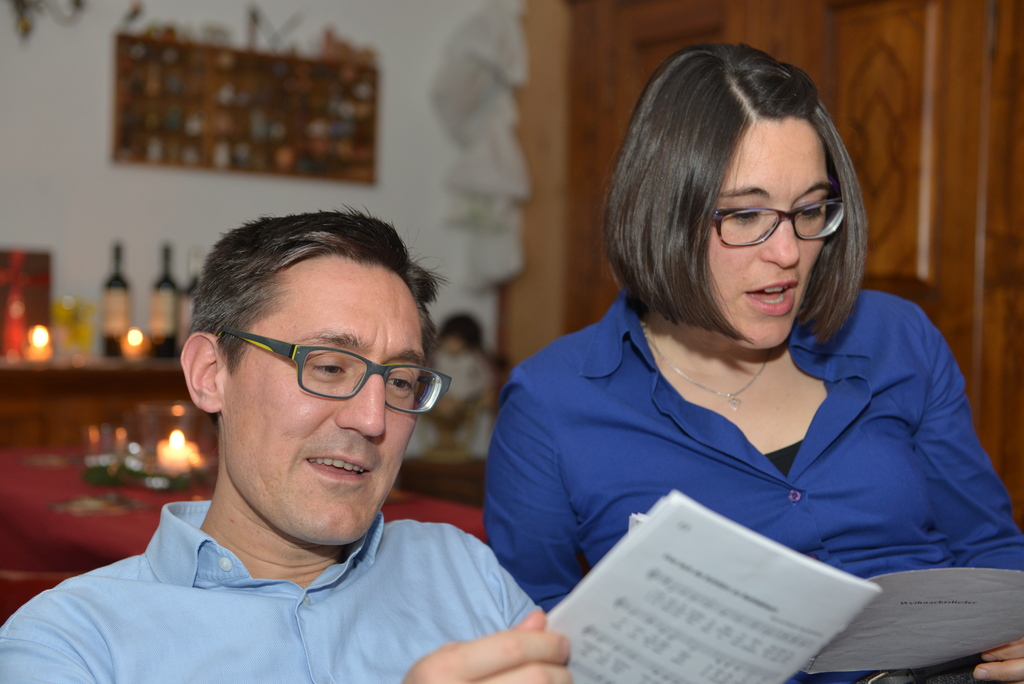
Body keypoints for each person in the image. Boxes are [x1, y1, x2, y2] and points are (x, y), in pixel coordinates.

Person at [483, 43, 1024, 683]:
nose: (788, 252)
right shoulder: (551, 404)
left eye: (809, 210)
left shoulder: (896, 338)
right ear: (662, 214)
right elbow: (532, 637)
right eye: (745, 215)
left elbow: (990, 549)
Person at [0, 210, 570, 684]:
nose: (373, 418)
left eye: (399, 381)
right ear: (210, 374)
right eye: (327, 367)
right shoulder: (72, 644)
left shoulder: (466, 571)